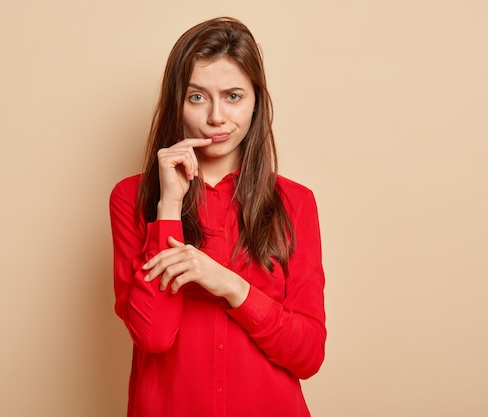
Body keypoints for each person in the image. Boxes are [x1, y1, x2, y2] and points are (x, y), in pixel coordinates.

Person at [109, 17, 326, 417]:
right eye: (197, 97)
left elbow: (309, 354)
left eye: (233, 96)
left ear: (256, 101)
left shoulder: (296, 203)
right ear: (176, 101)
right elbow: (153, 336)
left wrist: (230, 285)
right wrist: (169, 208)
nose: (216, 117)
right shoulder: (132, 198)